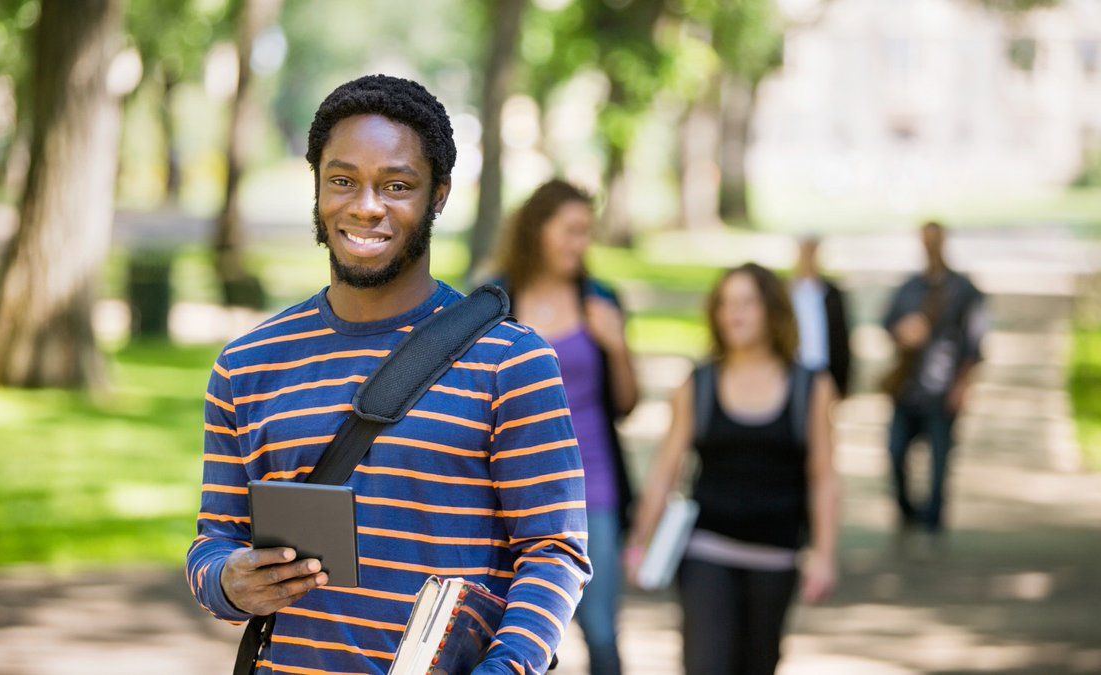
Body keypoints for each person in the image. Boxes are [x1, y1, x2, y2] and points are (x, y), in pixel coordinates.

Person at [185, 75, 590, 675]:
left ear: (439, 195)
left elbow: (554, 551)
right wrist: (227, 582)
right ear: (318, 187)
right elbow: (214, 540)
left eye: (396, 185)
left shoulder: (510, 360)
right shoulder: (247, 364)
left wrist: (505, 668)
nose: (366, 206)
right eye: (342, 180)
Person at [626, 263, 839, 675]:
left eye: (746, 303)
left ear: (771, 310)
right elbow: (666, 470)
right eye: (725, 304)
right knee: (707, 664)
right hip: (707, 550)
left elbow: (824, 477)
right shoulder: (699, 383)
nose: (733, 314)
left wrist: (825, 555)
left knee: (758, 664)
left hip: (777, 556)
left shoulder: (811, 387)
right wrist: (639, 544)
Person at [491, 179, 639, 675]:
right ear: (537, 230)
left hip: (591, 489)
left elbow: (627, 404)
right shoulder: (494, 302)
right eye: (571, 230)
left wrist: (616, 345)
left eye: (586, 232)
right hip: (507, 490)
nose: (581, 244)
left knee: (599, 629)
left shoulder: (600, 299)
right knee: (509, 633)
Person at [881, 221, 986, 536]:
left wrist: (963, 384)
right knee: (895, 450)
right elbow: (888, 323)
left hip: (942, 390)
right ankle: (907, 512)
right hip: (908, 387)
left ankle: (933, 523)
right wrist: (904, 332)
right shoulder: (910, 287)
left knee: (940, 462)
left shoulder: (963, 290)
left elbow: (975, 342)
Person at [791, 235, 852, 398]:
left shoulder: (831, 293)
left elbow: (841, 337)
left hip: (824, 370)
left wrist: (842, 382)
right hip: (794, 371)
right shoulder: (788, 292)